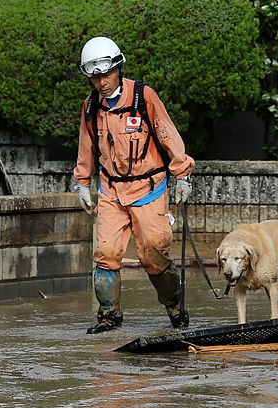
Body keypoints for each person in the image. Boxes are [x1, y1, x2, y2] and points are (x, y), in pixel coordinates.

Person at [72, 36, 194, 334]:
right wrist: (82, 183)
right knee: (106, 254)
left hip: (149, 189)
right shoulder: (91, 108)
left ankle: (175, 307)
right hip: (111, 192)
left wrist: (182, 174)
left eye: (106, 74)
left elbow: (166, 134)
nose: (102, 82)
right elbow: (87, 147)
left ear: (118, 68)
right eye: (95, 77)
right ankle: (109, 316)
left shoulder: (143, 98)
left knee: (152, 256)